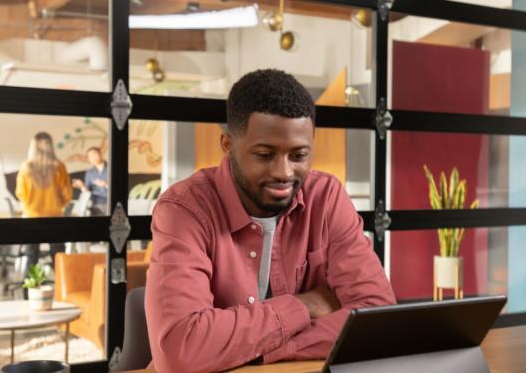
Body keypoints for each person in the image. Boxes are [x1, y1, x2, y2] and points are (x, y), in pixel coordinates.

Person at [145, 69, 396, 372]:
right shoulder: (184, 208)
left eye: (299, 155)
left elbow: (376, 319)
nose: (285, 172)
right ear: (228, 145)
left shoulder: (326, 196)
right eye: (265, 155)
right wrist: (305, 305)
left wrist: (262, 350)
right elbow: (182, 350)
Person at [16, 131, 71, 270]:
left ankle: (29, 289)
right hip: (55, 216)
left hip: (32, 216)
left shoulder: (26, 167)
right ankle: (61, 289)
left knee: (31, 255)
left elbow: (20, 193)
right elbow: (67, 194)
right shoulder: (59, 166)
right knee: (58, 256)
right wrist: (57, 205)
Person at [72, 146, 108, 215]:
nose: (93, 158)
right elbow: (87, 192)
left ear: (100, 153)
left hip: (109, 202)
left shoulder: (111, 168)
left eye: (94, 154)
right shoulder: (89, 172)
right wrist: (81, 186)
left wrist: (106, 185)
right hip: (94, 204)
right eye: (90, 156)